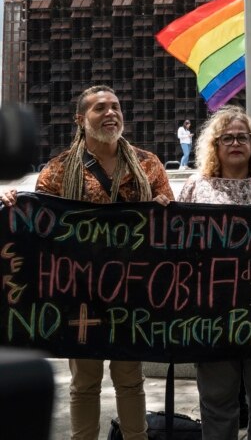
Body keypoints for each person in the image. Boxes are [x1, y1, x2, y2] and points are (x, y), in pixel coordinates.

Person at [1, 85, 173, 440]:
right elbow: (40, 224)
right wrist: (14, 205)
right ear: (81, 119)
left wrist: (163, 207)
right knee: (85, 382)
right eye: (100, 108)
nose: (111, 113)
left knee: (130, 380)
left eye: (116, 107)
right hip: (79, 293)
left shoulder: (147, 164)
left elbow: (170, 220)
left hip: (132, 291)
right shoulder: (60, 169)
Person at [177, 105, 251, 440]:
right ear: (215, 145)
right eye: (227, 137)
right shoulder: (196, 186)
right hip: (212, 312)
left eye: (243, 137)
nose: (236, 142)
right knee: (217, 401)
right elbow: (177, 244)